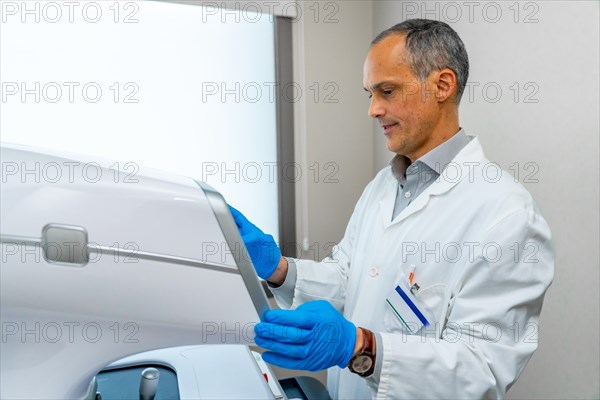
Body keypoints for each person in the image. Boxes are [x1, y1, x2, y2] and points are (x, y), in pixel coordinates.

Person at [230, 19, 554, 399]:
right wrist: (280, 271)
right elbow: (349, 278)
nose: (373, 110)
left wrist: (361, 348)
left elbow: (481, 370)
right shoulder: (385, 185)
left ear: (442, 86)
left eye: (386, 91)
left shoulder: (507, 216)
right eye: (369, 93)